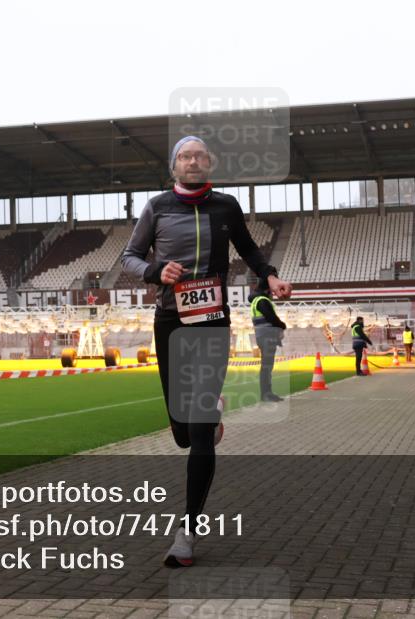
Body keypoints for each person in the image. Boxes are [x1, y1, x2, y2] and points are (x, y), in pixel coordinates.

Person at [121, 135, 292, 568]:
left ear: (209, 163)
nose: (193, 161)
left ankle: (187, 532)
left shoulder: (226, 206)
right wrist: (157, 271)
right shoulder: (157, 207)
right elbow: (130, 256)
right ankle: (206, 416)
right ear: (174, 166)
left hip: (213, 322)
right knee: (182, 432)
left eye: (199, 156)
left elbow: (248, 248)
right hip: (170, 322)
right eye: (185, 156)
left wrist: (270, 275)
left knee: (198, 431)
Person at [249, 281, 287, 402]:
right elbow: (271, 317)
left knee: (266, 366)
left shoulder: (256, 300)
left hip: (262, 336)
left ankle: (266, 393)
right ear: (267, 290)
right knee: (267, 367)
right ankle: (266, 394)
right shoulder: (262, 301)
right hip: (267, 336)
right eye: (271, 291)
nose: (272, 293)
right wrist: (282, 325)